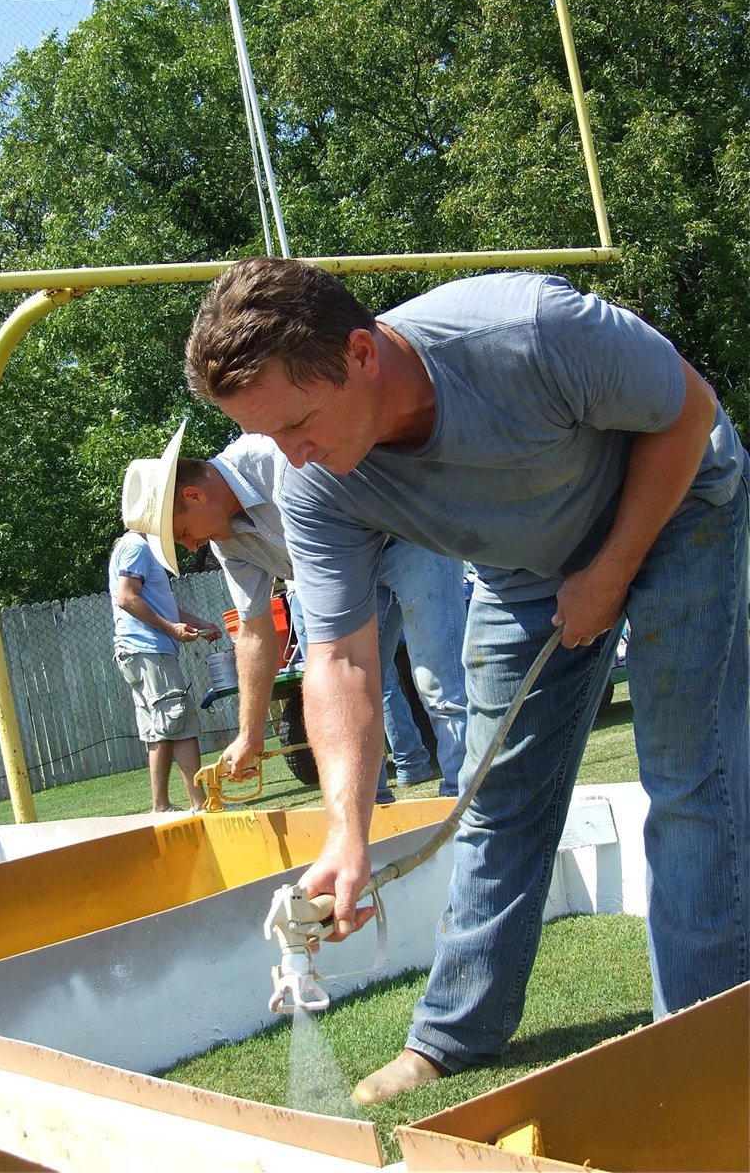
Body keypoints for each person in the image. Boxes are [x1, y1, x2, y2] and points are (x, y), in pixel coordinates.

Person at [183, 256, 749, 1102]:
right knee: (495, 797)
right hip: (525, 567)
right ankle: (453, 1036)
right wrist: (347, 832)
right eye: (267, 438)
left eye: (297, 423)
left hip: (678, 509)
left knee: (687, 775)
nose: (289, 457)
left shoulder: (524, 332)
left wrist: (613, 566)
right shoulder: (313, 484)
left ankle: (700, 1037)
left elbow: (689, 409)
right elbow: (340, 656)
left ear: (363, 354)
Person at [136, 426, 467, 801]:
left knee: (438, 679)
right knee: (345, 697)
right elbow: (255, 632)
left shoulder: (272, 458)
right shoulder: (230, 545)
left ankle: (467, 797)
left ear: (194, 496)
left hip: (406, 537)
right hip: (346, 572)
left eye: (183, 533)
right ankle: (370, 813)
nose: (193, 545)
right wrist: (250, 732)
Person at [112, 436, 221, 813]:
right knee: (180, 721)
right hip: (150, 649)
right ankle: (199, 803)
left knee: (159, 728)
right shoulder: (136, 547)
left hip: (143, 649)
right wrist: (171, 631)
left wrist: (200, 623)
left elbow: (163, 605)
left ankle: (160, 806)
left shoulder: (139, 549)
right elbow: (126, 597)